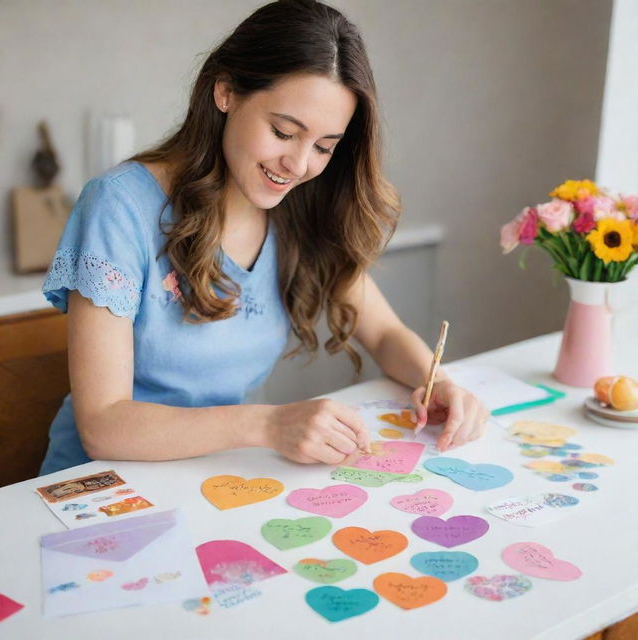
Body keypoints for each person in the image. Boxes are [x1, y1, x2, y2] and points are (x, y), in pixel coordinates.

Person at [39, 0, 489, 476]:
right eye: (282, 131)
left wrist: (436, 381)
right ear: (226, 91)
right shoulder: (118, 206)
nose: (297, 166)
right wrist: (269, 425)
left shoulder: (301, 210)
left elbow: (383, 331)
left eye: (323, 147)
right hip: (95, 487)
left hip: (214, 476)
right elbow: (103, 425)